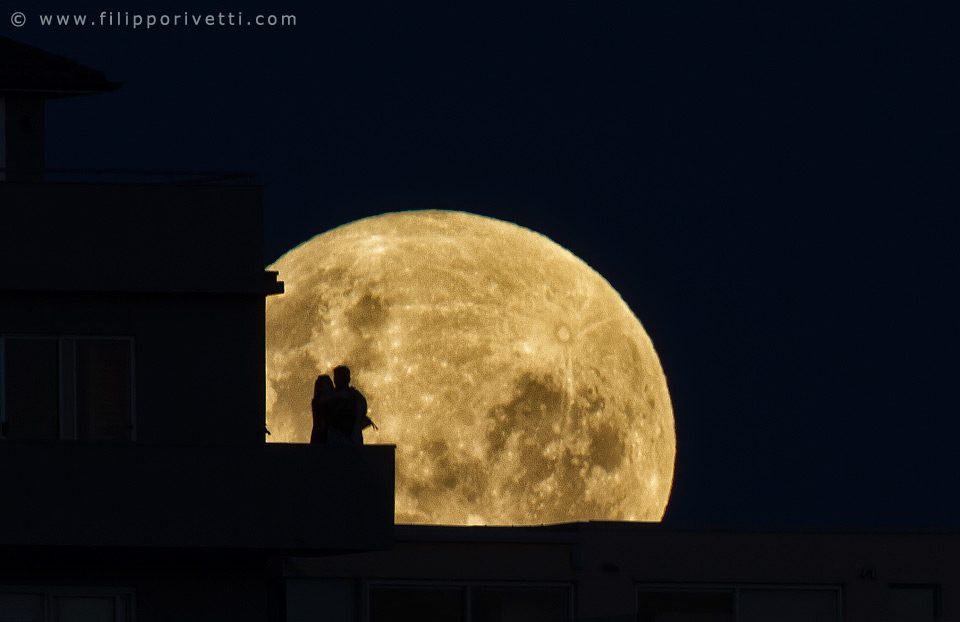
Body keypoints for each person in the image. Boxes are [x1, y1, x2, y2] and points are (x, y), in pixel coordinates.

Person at [327, 365, 374, 445]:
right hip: (336, 439)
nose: (336, 380)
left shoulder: (356, 397)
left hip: (351, 439)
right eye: (336, 377)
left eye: (340, 377)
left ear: (348, 379)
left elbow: (362, 415)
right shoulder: (330, 396)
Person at [310, 374, 335, 444]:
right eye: (324, 384)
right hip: (319, 436)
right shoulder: (316, 401)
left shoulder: (334, 400)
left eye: (327, 384)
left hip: (330, 437)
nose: (325, 387)